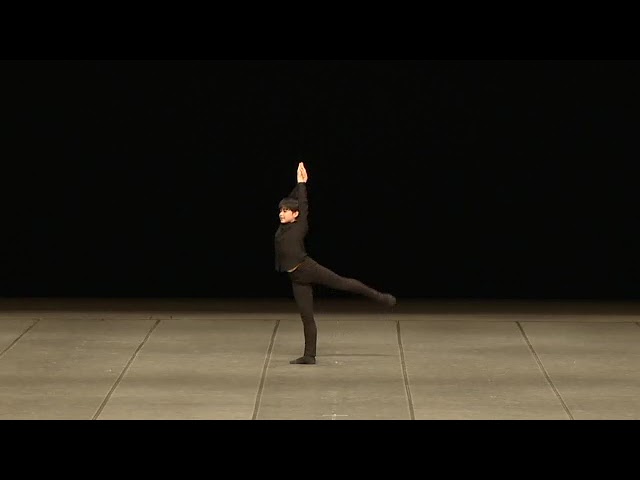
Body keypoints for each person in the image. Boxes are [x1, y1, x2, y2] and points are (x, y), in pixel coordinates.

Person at [275, 162, 396, 365]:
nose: (281, 213)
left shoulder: (300, 224)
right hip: (295, 277)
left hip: (307, 268)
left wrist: (302, 184)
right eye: (281, 210)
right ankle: (309, 355)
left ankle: (380, 297)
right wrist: (298, 184)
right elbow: (291, 199)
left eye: (286, 211)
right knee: (306, 316)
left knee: (343, 283)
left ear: (295, 215)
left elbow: (301, 203)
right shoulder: (282, 227)